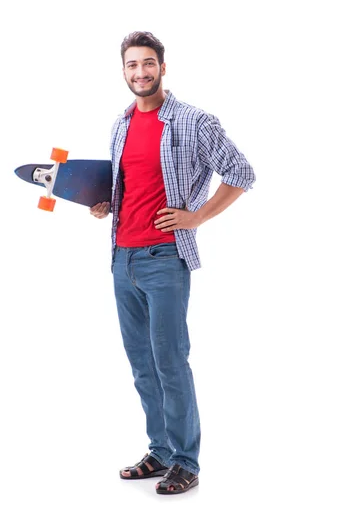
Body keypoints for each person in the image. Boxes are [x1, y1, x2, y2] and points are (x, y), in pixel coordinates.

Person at [90, 31, 255, 495]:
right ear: (123, 71)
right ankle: (160, 451)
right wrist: (105, 204)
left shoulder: (193, 121)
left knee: (170, 361)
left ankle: (186, 460)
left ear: (163, 67)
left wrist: (196, 217)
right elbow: (127, 188)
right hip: (121, 258)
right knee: (141, 363)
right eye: (131, 65)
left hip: (165, 258)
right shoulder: (120, 124)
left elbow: (242, 173)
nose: (139, 72)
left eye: (147, 64)